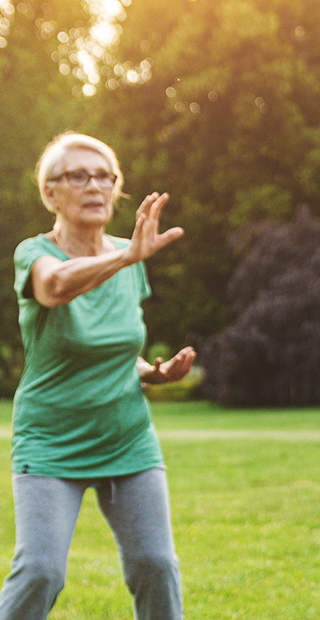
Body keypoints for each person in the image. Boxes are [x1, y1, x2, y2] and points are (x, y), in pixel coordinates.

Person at [0, 132, 195, 620]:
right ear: (50, 193)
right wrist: (125, 256)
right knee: (41, 570)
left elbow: (113, 345)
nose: (95, 186)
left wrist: (153, 372)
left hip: (126, 439)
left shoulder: (129, 258)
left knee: (157, 565)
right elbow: (56, 288)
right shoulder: (35, 253)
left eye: (105, 176)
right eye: (78, 175)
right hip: (50, 441)